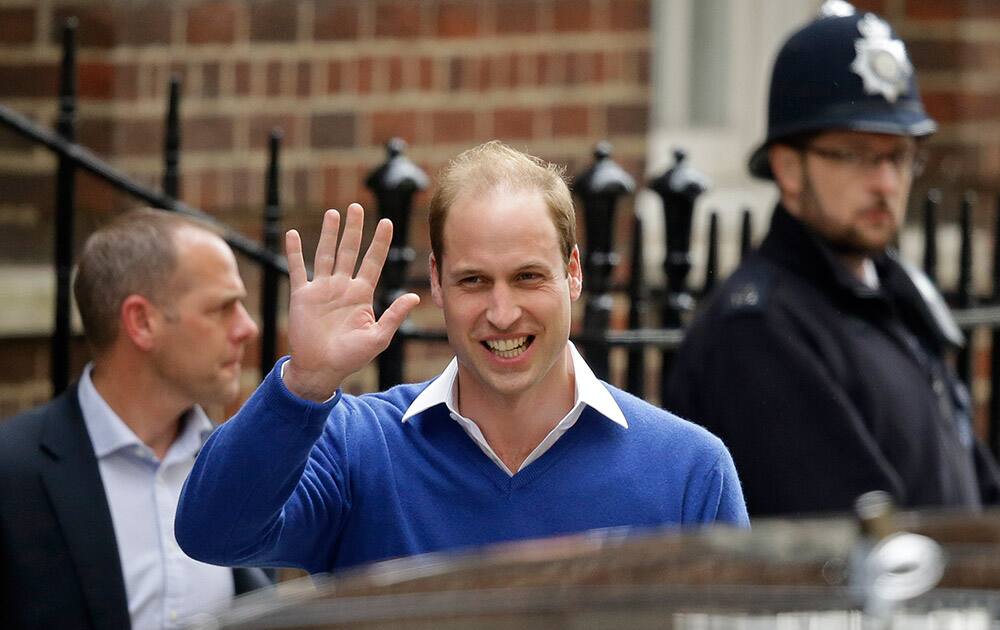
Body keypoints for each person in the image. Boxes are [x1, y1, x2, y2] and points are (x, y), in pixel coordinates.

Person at [175, 141, 748, 575]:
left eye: (527, 277)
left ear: (573, 272)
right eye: (474, 281)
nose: (502, 313)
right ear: (438, 284)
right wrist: (303, 384)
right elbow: (212, 533)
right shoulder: (358, 448)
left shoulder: (688, 470)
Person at [666, 6, 1000, 517]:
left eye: (899, 156)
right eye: (857, 154)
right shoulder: (758, 331)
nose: (887, 184)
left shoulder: (893, 296)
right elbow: (857, 535)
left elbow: (973, 492)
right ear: (789, 168)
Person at [0, 209, 270, 630]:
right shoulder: (13, 472)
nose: (247, 328)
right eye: (222, 308)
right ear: (142, 322)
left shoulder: (240, 463)